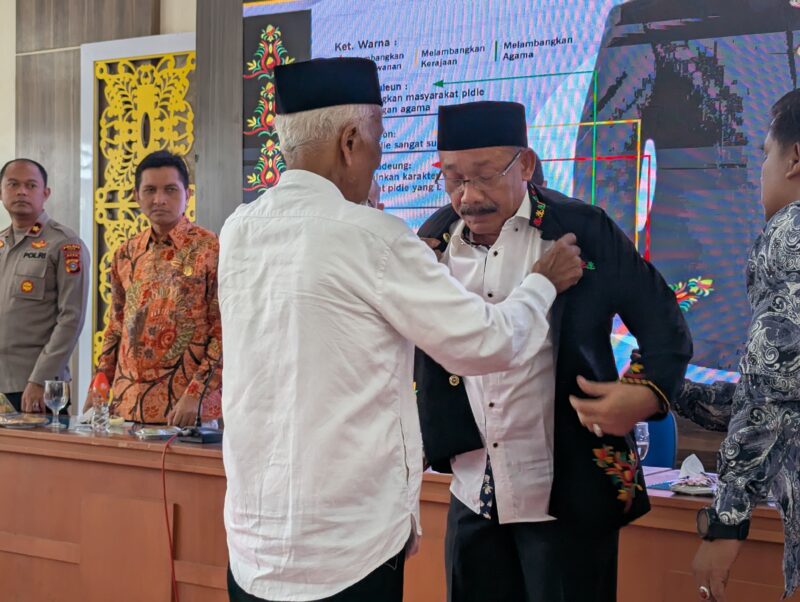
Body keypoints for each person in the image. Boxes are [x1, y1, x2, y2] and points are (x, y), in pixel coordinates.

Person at [219, 58, 583, 602]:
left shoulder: (238, 229)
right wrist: (542, 284)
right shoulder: (375, 237)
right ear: (349, 141)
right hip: (345, 550)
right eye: (377, 141)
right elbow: (488, 342)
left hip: (253, 545)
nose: (377, 159)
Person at [415, 100, 693, 602]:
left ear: (526, 164)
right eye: (452, 178)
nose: (468, 197)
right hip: (473, 490)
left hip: (566, 495)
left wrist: (642, 394)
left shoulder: (581, 230)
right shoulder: (434, 238)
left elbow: (664, 326)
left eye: (483, 176)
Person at [673, 90, 800, 602]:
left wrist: (726, 521)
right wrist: (671, 391)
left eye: (766, 154)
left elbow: (771, 384)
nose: (761, 172)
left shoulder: (791, 232)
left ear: (795, 159)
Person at [87, 151, 221, 426]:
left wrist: (196, 395)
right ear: (137, 195)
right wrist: (100, 382)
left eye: (170, 190)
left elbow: (224, 329)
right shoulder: (125, 253)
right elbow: (116, 324)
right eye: (150, 190)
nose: (159, 199)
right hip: (127, 405)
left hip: (186, 409)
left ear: (188, 194)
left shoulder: (211, 248)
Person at [0, 158, 89, 412]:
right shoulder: (1, 243)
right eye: (13, 184)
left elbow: (72, 318)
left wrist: (40, 379)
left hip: (37, 389)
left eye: (31, 185)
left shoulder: (65, 244)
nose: (21, 191)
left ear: (45, 193)